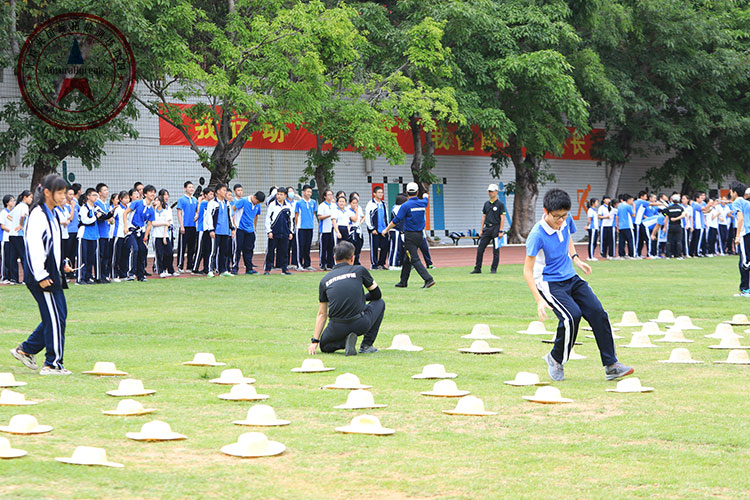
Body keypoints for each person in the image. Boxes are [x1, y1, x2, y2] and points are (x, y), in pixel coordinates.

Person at [522, 188, 633, 382]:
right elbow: (527, 271)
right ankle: (555, 359)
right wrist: (539, 300)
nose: (561, 221)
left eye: (564, 216)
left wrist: (576, 259)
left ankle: (611, 365)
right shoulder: (536, 235)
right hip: (549, 282)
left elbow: (568, 237)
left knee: (598, 312)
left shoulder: (565, 220)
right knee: (571, 316)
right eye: (557, 217)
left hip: (570, 277)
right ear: (545, 211)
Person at [10, 174, 74, 375]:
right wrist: (41, 275)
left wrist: (62, 263)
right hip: (42, 276)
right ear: (47, 192)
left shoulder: (53, 213)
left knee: (57, 316)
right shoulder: (38, 214)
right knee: (55, 318)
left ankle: (26, 350)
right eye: (61, 193)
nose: (65, 197)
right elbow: (35, 248)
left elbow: (52, 245)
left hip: (51, 272)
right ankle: (52, 364)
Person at [308, 241, 385, 356]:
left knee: (325, 347)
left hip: (337, 327)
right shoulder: (359, 270)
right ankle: (366, 345)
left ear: (334, 258)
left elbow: (322, 314)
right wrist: (361, 298)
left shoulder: (324, 281)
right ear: (352, 258)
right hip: (360, 323)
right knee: (380, 303)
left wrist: (315, 341)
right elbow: (377, 295)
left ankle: (344, 341)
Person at [381, 182, 435, 288]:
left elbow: (396, 220)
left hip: (410, 236)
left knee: (414, 259)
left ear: (407, 192)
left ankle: (428, 279)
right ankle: (403, 281)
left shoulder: (405, 206)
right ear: (417, 192)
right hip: (420, 235)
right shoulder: (423, 203)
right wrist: (425, 195)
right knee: (407, 258)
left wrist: (386, 229)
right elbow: (426, 198)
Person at [122, 185, 156, 282]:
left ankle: (140, 275)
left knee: (143, 250)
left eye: (153, 192)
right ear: (145, 194)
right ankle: (130, 273)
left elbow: (149, 225)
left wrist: (145, 237)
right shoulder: (137, 203)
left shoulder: (151, 210)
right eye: (150, 192)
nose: (152, 194)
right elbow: (125, 213)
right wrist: (125, 226)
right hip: (131, 230)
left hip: (141, 231)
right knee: (134, 249)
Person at [471, 183, 506, 274]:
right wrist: (481, 229)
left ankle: (493, 269)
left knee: (496, 250)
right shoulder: (486, 204)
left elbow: (502, 218)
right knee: (480, 248)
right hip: (487, 228)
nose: (490, 193)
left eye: (492, 191)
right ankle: (477, 268)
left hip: (496, 228)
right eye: (489, 191)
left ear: (496, 192)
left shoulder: (500, 204)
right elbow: (484, 216)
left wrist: (501, 230)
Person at [232, 190, 265, 274]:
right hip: (240, 228)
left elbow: (256, 215)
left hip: (250, 230)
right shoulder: (243, 201)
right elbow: (233, 209)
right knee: (238, 249)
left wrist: (254, 226)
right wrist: (233, 223)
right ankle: (235, 267)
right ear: (254, 197)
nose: (257, 203)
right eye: (257, 201)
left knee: (249, 250)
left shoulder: (258, 205)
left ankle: (249, 268)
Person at [264, 186, 294, 275]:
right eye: (278, 194)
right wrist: (269, 231)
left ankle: (284, 269)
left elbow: (290, 220)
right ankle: (267, 269)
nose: (279, 196)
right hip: (274, 232)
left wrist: (291, 232)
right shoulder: (272, 205)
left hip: (285, 232)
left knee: (284, 251)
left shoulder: (288, 206)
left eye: (281, 194)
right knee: (271, 251)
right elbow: (268, 219)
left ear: (285, 196)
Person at [729, 181, 750, 296]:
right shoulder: (747, 203)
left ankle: (745, 290)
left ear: (735, 192)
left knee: (744, 262)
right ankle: (745, 289)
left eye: (731, 191)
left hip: (744, 234)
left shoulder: (737, 202)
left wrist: (737, 236)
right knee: (745, 260)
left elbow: (740, 219)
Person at [7, 190, 32, 284]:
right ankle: (26, 278)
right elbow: (22, 216)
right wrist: (20, 225)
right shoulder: (24, 206)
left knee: (13, 257)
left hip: (12, 234)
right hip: (19, 235)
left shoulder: (17, 206)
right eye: (30, 197)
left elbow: (9, 216)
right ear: (25, 197)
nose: (31, 199)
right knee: (23, 257)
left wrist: (15, 223)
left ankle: (14, 279)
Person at [77, 188, 100, 284]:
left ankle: (88, 277)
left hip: (94, 235)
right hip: (84, 235)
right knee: (83, 258)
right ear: (88, 197)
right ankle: (80, 278)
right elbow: (85, 221)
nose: (95, 197)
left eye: (96, 195)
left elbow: (103, 215)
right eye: (93, 195)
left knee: (91, 258)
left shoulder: (96, 207)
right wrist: (95, 216)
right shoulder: (84, 208)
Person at [176, 181, 198, 273]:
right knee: (182, 247)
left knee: (192, 248)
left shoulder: (195, 200)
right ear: (185, 188)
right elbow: (179, 212)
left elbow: (197, 210)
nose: (191, 189)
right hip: (184, 226)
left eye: (192, 187)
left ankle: (189, 266)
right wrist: (181, 225)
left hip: (193, 226)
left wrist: (196, 215)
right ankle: (180, 266)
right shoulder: (181, 199)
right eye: (189, 187)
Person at [365, 186, 389, 269]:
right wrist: (371, 228)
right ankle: (374, 264)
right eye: (379, 192)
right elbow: (368, 217)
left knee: (385, 247)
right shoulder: (371, 204)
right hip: (375, 230)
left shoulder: (383, 204)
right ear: (374, 194)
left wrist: (387, 228)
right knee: (374, 248)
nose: (381, 194)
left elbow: (386, 217)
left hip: (383, 230)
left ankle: (381, 264)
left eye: (382, 192)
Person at [294, 185, 317, 271]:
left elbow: (313, 213)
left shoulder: (313, 202)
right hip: (301, 227)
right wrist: (297, 226)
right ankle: (299, 264)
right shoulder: (299, 203)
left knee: (307, 246)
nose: (309, 193)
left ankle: (307, 264)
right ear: (303, 192)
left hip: (310, 227)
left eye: (310, 192)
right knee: (301, 246)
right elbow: (296, 215)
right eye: (307, 191)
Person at [94, 183, 114, 283]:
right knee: (100, 256)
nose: (106, 192)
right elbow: (102, 216)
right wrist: (109, 216)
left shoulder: (107, 204)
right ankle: (99, 275)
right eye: (104, 190)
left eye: (107, 190)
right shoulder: (97, 203)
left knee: (106, 256)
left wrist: (110, 219)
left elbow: (110, 219)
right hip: (100, 233)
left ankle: (105, 275)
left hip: (106, 233)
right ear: (99, 193)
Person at [193, 188, 214, 274]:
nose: (212, 196)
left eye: (213, 194)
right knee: (199, 249)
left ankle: (206, 268)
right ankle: (195, 268)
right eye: (210, 194)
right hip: (202, 228)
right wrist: (199, 201)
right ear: (205, 195)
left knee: (207, 249)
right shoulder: (205, 203)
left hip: (207, 229)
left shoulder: (207, 203)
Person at [111, 191, 130, 281]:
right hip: (118, 234)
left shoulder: (129, 208)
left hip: (126, 235)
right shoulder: (118, 209)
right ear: (120, 199)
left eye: (127, 198)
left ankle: (123, 274)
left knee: (124, 255)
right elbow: (111, 218)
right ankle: (114, 275)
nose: (127, 200)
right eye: (125, 198)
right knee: (116, 255)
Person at [664, 194, 687, 259]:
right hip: (678, 225)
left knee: (669, 241)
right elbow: (683, 215)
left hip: (671, 225)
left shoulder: (669, 208)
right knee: (679, 241)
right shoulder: (681, 208)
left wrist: (665, 226)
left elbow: (666, 216)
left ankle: (668, 255)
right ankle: (679, 255)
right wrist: (676, 218)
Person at [387, 193, 407, 270]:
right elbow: (398, 221)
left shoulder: (398, 207)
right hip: (395, 230)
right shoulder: (397, 208)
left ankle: (398, 263)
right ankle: (393, 264)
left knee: (399, 248)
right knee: (395, 248)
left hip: (400, 231)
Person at [317, 189, 335, 270]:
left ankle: (330, 264)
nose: (330, 196)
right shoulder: (322, 206)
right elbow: (319, 217)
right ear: (325, 196)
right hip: (324, 230)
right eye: (328, 195)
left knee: (331, 248)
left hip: (332, 229)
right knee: (323, 248)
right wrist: (329, 215)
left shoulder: (334, 205)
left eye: (331, 195)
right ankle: (322, 263)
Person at [0, 195, 14, 283]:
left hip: (11, 238)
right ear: (7, 203)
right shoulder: (3, 213)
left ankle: (9, 276)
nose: (13, 202)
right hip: (5, 238)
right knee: (5, 257)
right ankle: (4, 277)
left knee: (10, 258)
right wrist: (10, 230)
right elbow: (2, 225)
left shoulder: (12, 212)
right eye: (11, 201)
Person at [348, 193, 365, 265]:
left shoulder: (359, 208)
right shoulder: (348, 209)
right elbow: (354, 219)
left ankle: (357, 260)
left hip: (358, 229)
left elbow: (363, 216)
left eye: (356, 203)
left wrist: (360, 223)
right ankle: (352, 261)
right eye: (353, 203)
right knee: (352, 246)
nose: (355, 204)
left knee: (359, 245)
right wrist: (356, 211)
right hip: (352, 229)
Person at [617, 194, 636, 258]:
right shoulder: (628, 206)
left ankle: (621, 254)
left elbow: (617, 216)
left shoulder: (619, 206)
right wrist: (634, 207)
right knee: (631, 240)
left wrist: (617, 225)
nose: (632, 202)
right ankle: (632, 254)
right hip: (628, 226)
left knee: (621, 241)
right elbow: (633, 215)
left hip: (621, 226)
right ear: (628, 200)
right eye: (632, 200)